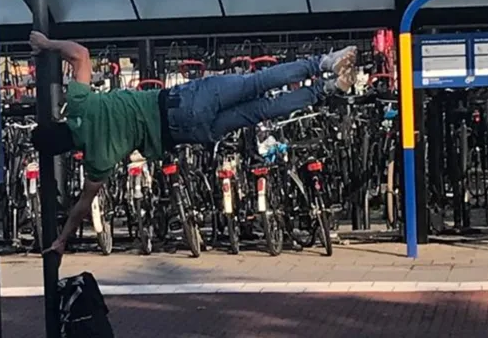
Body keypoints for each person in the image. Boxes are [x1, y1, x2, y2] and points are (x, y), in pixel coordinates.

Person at [29, 31, 357, 255]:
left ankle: (326, 89)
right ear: (58, 123)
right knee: (256, 83)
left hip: (183, 134)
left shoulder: (95, 161)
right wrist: (46, 44)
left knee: (260, 110)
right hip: (180, 101)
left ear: (65, 150)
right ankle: (323, 64)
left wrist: (61, 239)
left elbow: (83, 206)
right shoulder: (80, 102)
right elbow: (79, 54)